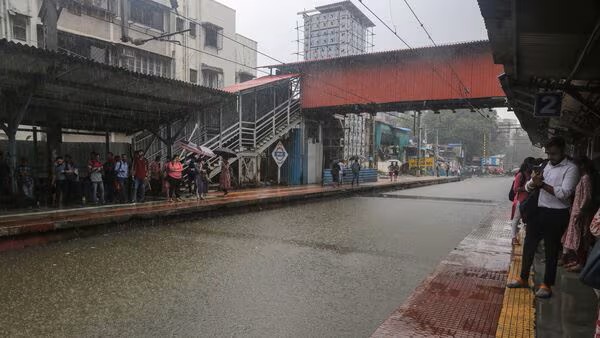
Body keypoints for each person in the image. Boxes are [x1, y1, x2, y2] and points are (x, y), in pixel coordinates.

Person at [507, 137, 579, 298]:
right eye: (548, 153)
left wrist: (542, 185)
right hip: (537, 211)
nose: (550, 156)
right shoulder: (545, 165)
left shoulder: (571, 169)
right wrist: (533, 182)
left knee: (551, 251)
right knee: (529, 246)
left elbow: (564, 193)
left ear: (562, 151)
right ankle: (523, 278)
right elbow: (527, 187)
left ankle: (546, 285)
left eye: (553, 153)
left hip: (556, 214)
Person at [560, 156, 594, 272]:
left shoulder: (585, 179)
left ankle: (581, 263)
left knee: (579, 238)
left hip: (580, 213)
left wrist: (580, 211)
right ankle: (578, 261)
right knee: (575, 237)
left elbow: (587, 197)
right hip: (576, 211)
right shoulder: (582, 178)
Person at [511, 157, 536, 245]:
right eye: (532, 164)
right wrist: (526, 188)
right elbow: (515, 189)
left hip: (530, 200)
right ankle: (513, 238)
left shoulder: (532, 174)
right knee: (516, 219)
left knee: (528, 220)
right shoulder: (520, 175)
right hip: (521, 200)